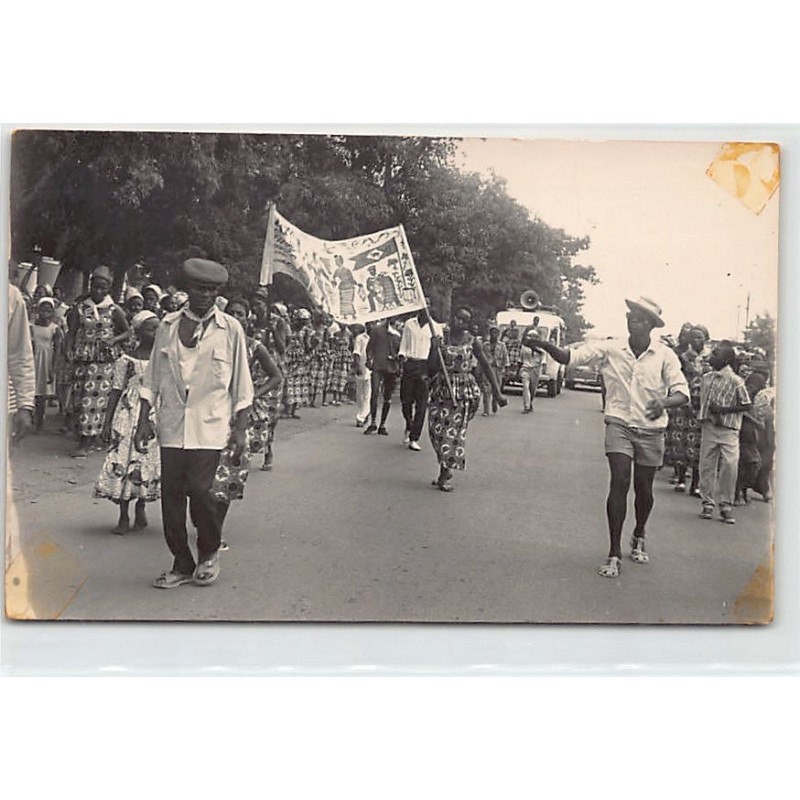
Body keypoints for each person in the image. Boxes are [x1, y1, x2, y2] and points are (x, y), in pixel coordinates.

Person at [531, 296, 689, 578]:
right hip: (620, 423)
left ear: (652, 325)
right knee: (619, 481)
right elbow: (570, 357)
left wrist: (662, 403)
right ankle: (614, 551)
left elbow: (681, 392)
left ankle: (639, 532)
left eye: (640, 318)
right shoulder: (611, 348)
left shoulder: (665, 356)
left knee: (644, 489)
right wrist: (543, 344)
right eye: (631, 316)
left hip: (652, 429)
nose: (633, 321)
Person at [134, 259, 254, 589]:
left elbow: (241, 385)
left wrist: (241, 429)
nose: (206, 296)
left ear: (218, 293)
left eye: (212, 291)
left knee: (203, 493)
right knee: (171, 498)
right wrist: (144, 420)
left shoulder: (231, 329)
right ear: (188, 290)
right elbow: (152, 380)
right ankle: (181, 563)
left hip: (211, 427)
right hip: (173, 424)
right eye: (200, 289)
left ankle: (209, 550)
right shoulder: (168, 327)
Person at [94, 311, 162, 534]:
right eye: (151, 328)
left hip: (153, 414)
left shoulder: (163, 358)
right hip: (128, 413)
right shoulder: (126, 360)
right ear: (139, 331)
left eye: (159, 328)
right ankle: (123, 514)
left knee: (145, 461)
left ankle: (141, 506)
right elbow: (115, 390)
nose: (157, 332)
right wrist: (107, 422)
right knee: (123, 459)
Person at [427, 307, 507, 491]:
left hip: (463, 392)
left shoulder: (473, 341)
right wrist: (434, 348)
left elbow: (486, 366)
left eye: (466, 320)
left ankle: (445, 472)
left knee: (452, 433)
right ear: (453, 318)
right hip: (442, 390)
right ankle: (443, 467)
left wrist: (497, 392)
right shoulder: (442, 338)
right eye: (459, 318)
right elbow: (431, 367)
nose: (461, 323)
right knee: (435, 431)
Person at [67, 266, 130, 458]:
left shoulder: (114, 309)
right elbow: (72, 331)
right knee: (79, 397)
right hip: (83, 357)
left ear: (109, 289)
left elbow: (128, 331)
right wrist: (68, 350)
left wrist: (113, 340)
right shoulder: (80, 308)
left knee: (93, 400)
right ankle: (87, 437)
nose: (98, 292)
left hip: (102, 362)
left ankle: (85, 443)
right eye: (95, 287)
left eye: (103, 288)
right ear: (90, 286)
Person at [225, 297, 283, 471]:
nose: (235, 317)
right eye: (231, 313)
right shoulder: (213, 340)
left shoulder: (255, 345)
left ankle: (267, 452)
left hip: (245, 397)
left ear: (247, 317)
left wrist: (254, 394)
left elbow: (276, 376)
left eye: (239, 314)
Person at [697, 341, 752, 525]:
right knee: (706, 465)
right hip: (709, 427)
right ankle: (707, 502)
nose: (712, 356)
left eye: (717, 353)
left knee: (729, 465)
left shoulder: (736, 381)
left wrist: (723, 410)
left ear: (727, 359)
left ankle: (725, 503)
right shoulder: (707, 378)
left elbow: (746, 405)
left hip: (728, 430)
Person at [398, 307, 442, 450]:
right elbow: (403, 346)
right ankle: (409, 424)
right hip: (410, 363)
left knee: (421, 404)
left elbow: (437, 352)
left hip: (425, 365)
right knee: (406, 401)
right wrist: (401, 362)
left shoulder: (436, 327)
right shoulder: (409, 324)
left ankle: (414, 437)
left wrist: (432, 372)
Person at [29, 297, 63, 432]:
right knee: (30, 390)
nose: (45, 313)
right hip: (33, 359)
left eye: (48, 310)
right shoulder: (31, 326)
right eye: (42, 310)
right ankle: (28, 416)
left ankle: (39, 420)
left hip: (46, 361)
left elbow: (58, 349)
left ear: (52, 312)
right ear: (38, 310)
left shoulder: (55, 329)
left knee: (41, 394)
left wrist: (53, 368)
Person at [363, 318, 401, 436]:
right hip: (378, 365)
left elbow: (401, 352)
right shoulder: (377, 330)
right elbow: (369, 347)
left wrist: (398, 363)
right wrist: (369, 359)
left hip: (391, 368)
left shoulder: (397, 333)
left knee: (387, 396)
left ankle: (382, 424)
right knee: (374, 393)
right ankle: (373, 422)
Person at [735, 372, 767, 506]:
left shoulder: (758, 399)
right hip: (742, 434)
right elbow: (740, 412)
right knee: (744, 465)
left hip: (752, 437)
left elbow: (762, 418)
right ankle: (737, 493)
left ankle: (742, 490)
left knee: (753, 465)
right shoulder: (743, 394)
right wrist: (755, 421)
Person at [479, 325, 509, 416]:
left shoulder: (502, 345)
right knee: (486, 389)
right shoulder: (485, 345)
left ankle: (495, 402)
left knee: (496, 388)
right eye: (492, 332)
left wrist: (506, 369)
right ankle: (486, 410)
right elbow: (481, 358)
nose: (494, 334)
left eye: (496, 332)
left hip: (498, 369)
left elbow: (505, 357)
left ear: (498, 334)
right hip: (487, 368)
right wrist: (479, 370)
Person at [519, 328, 544, 414]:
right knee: (525, 386)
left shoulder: (541, 348)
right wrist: (518, 371)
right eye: (530, 336)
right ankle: (527, 406)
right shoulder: (524, 347)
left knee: (533, 389)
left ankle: (530, 402)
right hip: (525, 368)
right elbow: (521, 359)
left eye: (534, 337)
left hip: (535, 369)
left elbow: (543, 360)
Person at [327, 326, 353, 406]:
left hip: (345, 357)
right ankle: (334, 398)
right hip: (337, 356)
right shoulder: (336, 334)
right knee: (335, 377)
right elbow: (332, 345)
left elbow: (351, 346)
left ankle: (340, 397)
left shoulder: (349, 334)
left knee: (343, 377)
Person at [351, 323, 371, 427]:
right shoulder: (360, 338)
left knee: (368, 394)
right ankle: (364, 412)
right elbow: (356, 352)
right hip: (362, 366)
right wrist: (357, 366)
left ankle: (361, 417)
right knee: (359, 394)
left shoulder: (376, 337)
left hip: (372, 368)